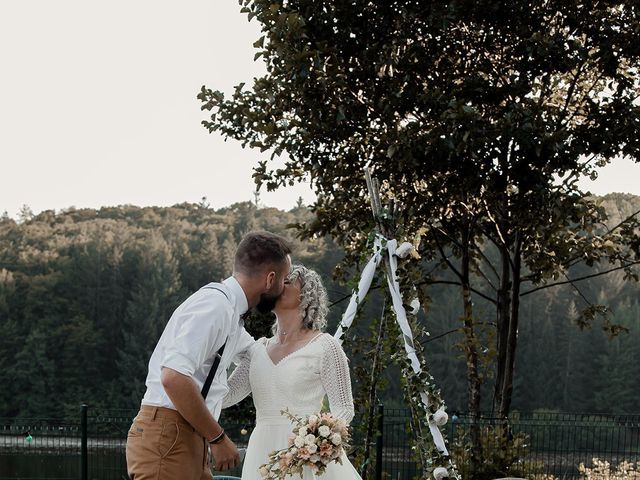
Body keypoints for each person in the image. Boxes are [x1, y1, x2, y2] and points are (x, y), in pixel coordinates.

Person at [126, 231, 293, 480]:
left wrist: (303, 343)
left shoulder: (230, 313)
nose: (283, 288)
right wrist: (217, 437)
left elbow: (258, 353)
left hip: (186, 434)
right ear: (270, 280)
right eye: (284, 279)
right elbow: (173, 377)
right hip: (170, 435)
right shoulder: (215, 307)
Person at [222, 265, 362, 479]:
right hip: (262, 454)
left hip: (307, 456)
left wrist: (314, 439)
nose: (276, 286)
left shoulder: (326, 346)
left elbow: (344, 408)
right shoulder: (257, 350)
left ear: (306, 296)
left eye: (286, 282)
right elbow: (227, 396)